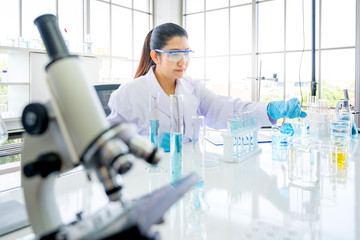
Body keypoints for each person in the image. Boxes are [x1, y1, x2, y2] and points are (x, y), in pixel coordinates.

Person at [107, 23, 306, 151]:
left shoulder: (193, 88)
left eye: (186, 53)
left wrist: (269, 109)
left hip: (191, 171)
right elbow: (108, 141)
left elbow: (227, 109)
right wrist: (145, 145)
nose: (183, 61)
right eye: (175, 54)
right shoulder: (129, 93)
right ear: (155, 56)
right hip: (147, 176)